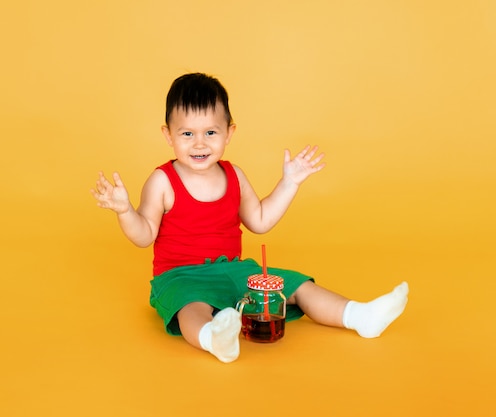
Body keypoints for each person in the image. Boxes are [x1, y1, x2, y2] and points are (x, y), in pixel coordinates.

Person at [91, 73, 409, 363]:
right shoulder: (162, 181)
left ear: (229, 133)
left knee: (297, 285)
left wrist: (289, 183)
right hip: (180, 278)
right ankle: (212, 338)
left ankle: (359, 316)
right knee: (191, 307)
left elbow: (259, 220)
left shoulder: (234, 175)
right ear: (168, 135)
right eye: (187, 133)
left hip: (235, 272)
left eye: (210, 132)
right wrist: (125, 210)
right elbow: (144, 234)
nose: (199, 143)